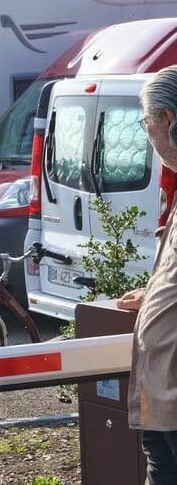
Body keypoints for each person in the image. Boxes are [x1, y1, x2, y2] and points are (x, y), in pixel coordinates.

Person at [117, 65, 177, 485]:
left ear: (168, 120)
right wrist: (157, 291)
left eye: (145, 122)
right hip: (161, 394)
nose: (147, 134)